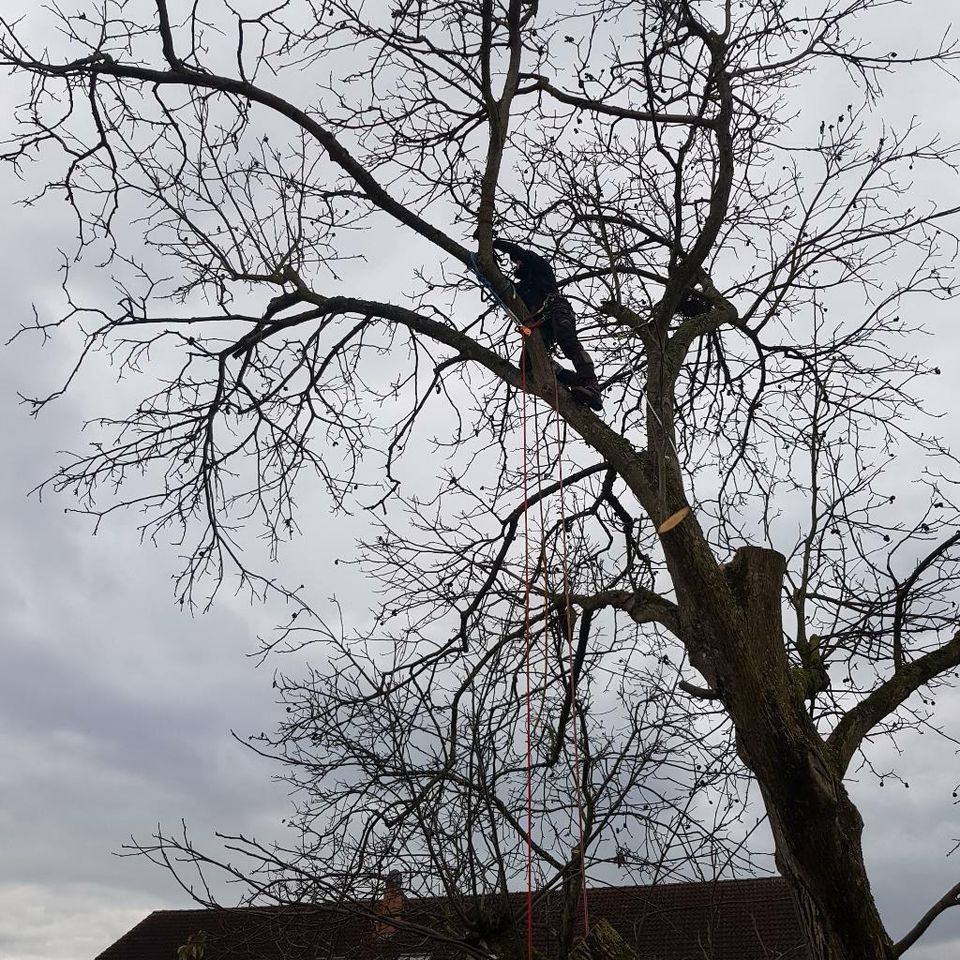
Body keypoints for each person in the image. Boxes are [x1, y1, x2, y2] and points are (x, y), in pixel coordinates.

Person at [492, 239, 603, 411]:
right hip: (539, 324)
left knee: (566, 339)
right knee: (527, 366)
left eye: (518, 261)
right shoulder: (522, 288)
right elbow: (502, 285)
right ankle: (576, 382)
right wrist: (488, 263)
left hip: (556, 308)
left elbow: (522, 253)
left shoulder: (540, 268)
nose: (516, 263)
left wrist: (495, 243)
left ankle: (590, 382)